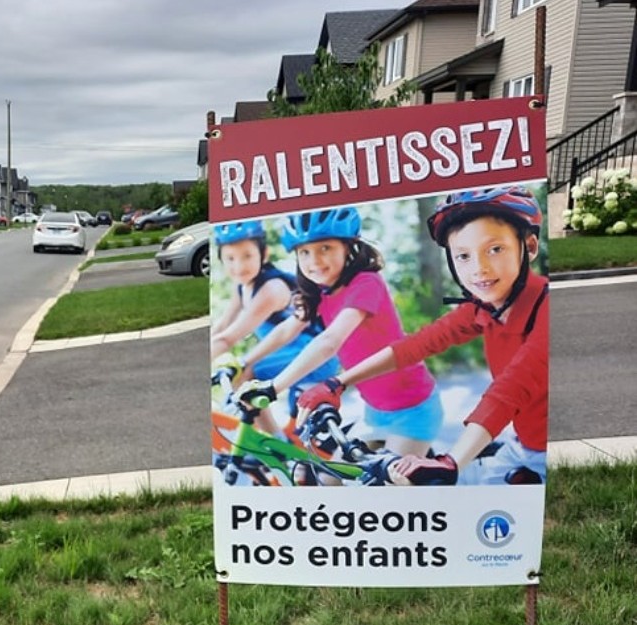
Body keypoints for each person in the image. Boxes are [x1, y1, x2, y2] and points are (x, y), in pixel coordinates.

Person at [295, 186, 548, 485]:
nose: (479, 268)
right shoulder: (483, 308)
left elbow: (510, 390)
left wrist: (451, 462)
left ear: (529, 246)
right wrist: (337, 383)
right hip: (521, 447)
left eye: (495, 249)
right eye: (463, 256)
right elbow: (415, 346)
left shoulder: (546, 308)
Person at [234, 207, 442, 459]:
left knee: (388, 482)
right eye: (304, 252)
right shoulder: (321, 292)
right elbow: (286, 330)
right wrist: (244, 362)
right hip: (375, 411)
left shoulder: (366, 282)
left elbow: (329, 341)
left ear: (347, 246)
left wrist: (274, 387)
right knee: (328, 476)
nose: (314, 261)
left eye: (325, 248)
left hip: (412, 409)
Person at [209, 220, 340, 437]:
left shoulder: (271, 289)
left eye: (247, 256)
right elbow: (223, 326)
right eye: (230, 258)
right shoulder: (242, 285)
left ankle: (275, 441)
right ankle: (270, 438)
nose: (239, 266)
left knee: (246, 375)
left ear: (264, 254)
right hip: (285, 354)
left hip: (312, 356)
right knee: (243, 378)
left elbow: (228, 339)